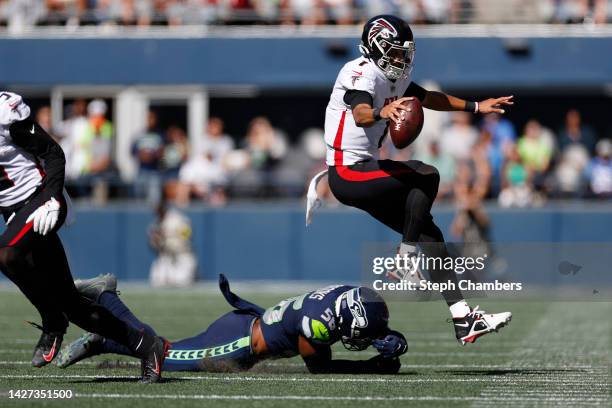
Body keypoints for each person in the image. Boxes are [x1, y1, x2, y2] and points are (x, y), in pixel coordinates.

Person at [306, 15, 512, 345]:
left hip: (365, 170)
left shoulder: (394, 78)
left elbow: (429, 98)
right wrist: (380, 112)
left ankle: (463, 318)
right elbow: (360, 113)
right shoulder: (359, 72)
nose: (401, 60)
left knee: (431, 234)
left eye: (405, 53)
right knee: (427, 175)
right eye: (395, 52)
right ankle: (404, 260)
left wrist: (476, 106)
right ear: (376, 47)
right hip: (347, 173)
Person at [0, 92, 166, 382]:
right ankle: (146, 345)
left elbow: (53, 153)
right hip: (16, 214)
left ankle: (52, 321)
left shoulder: (5, 114)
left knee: (6, 254)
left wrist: (52, 198)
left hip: (43, 198)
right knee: (74, 307)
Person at [57, 274, 407, 374]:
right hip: (240, 343)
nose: (358, 339)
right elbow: (321, 368)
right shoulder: (318, 325)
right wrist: (369, 364)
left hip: (247, 324)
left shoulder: (345, 295)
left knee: (166, 350)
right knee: (161, 353)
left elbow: (359, 315)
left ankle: (104, 331)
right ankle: (107, 301)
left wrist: (385, 336)